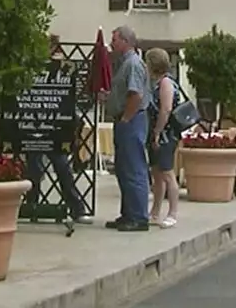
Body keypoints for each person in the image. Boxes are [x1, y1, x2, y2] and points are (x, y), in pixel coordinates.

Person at [26, 36, 91, 224]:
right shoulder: (32, 68)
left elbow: (67, 97)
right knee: (34, 169)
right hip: (33, 125)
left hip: (56, 127)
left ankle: (76, 208)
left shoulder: (62, 68)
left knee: (62, 168)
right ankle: (32, 206)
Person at [105, 25, 152, 232]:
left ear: (125, 41)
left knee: (134, 168)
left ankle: (139, 217)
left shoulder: (133, 64)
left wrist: (125, 118)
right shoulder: (123, 64)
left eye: (114, 40)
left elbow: (136, 95)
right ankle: (128, 213)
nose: (111, 43)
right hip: (125, 120)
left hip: (132, 122)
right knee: (124, 169)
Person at [145, 48, 180, 228]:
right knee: (157, 173)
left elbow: (165, 109)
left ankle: (173, 212)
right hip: (157, 133)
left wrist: (158, 132)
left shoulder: (166, 83)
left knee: (167, 172)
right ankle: (155, 211)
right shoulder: (156, 83)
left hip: (166, 134)